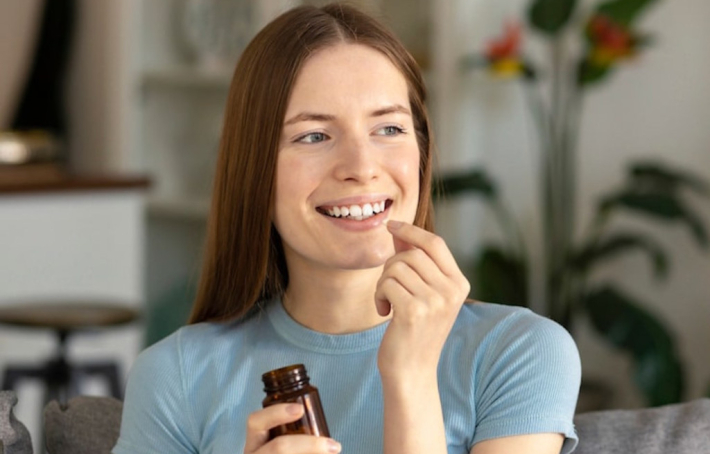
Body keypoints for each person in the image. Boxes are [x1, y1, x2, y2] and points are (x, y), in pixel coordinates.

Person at [113, 3, 581, 454]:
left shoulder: (518, 352)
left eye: (389, 129)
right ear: (253, 168)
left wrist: (411, 376)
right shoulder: (175, 376)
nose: (361, 167)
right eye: (314, 136)